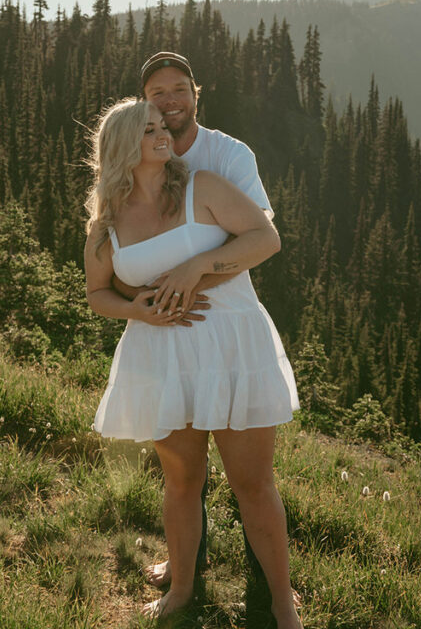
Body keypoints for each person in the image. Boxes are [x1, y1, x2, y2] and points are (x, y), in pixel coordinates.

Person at [84, 97, 302, 626]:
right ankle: (182, 591)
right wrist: (136, 308)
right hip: (161, 355)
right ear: (121, 146)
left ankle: (280, 602)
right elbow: (96, 293)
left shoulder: (202, 187)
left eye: (164, 127)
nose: (165, 136)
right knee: (182, 482)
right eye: (150, 130)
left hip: (231, 344)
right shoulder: (105, 222)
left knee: (253, 484)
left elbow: (265, 238)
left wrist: (196, 268)